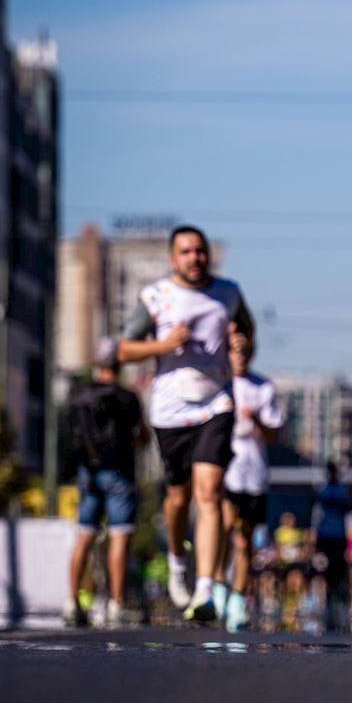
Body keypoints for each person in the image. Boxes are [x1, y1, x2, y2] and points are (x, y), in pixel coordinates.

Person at [119, 224, 254, 622]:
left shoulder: (228, 293)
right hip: (170, 410)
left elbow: (246, 332)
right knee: (178, 498)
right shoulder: (157, 296)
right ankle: (178, 562)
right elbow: (124, 348)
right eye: (186, 252)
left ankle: (205, 589)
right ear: (172, 258)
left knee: (209, 493)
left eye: (200, 251)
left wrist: (243, 345)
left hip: (216, 403)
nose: (195, 258)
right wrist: (163, 345)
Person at [63, 337, 149, 628]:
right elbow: (142, 435)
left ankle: (72, 602)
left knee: (84, 536)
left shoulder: (79, 395)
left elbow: (69, 433)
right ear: (119, 362)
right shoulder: (127, 397)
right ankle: (116, 603)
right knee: (119, 537)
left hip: (87, 472)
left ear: (97, 362)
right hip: (119, 472)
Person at [220, 338, 284, 632]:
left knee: (244, 539)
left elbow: (274, 435)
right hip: (225, 471)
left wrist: (256, 418)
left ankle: (237, 598)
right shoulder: (217, 383)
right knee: (222, 529)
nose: (240, 358)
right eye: (235, 352)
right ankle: (218, 583)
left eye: (245, 352)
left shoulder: (263, 388)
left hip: (253, 475)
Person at [311, 462, 352, 631]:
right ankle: (331, 598)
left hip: (334, 535)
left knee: (336, 569)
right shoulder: (334, 491)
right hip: (330, 535)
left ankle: (336, 598)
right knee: (330, 569)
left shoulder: (329, 491)